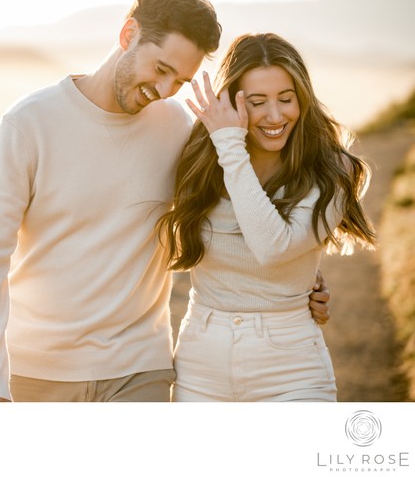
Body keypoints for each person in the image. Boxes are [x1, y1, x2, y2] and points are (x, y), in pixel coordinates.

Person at [0, 0, 331, 402]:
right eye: (161, 68)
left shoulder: (181, 130)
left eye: (181, 80)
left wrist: (297, 281)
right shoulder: (29, 124)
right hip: (35, 371)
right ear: (128, 34)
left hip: (140, 371)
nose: (166, 89)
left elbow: (238, 210)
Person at [158, 33, 375, 402]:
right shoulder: (198, 160)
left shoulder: (332, 170)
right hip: (201, 363)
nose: (275, 116)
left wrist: (230, 147)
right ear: (231, 102)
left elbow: (274, 248)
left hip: (291, 366)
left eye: (286, 99)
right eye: (257, 102)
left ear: (302, 99)